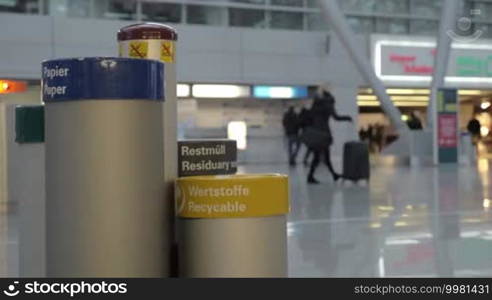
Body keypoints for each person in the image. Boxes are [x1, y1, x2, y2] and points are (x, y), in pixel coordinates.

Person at [302, 88, 352, 184]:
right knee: (322, 156)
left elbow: (310, 118)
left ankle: (331, 175)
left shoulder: (315, 105)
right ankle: (317, 176)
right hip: (324, 134)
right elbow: (336, 117)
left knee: (319, 156)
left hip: (315, 133)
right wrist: (347, 118)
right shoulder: (328, 104)